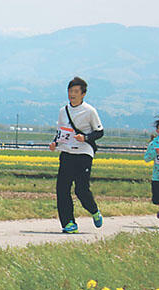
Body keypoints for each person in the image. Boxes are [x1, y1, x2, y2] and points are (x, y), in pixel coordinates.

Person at [49, 76, 104, 233]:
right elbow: (61, 132)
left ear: (83, 94)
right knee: (62, 189)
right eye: (70, 91)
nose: (72, 94)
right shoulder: (63, 111)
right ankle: (68, 223)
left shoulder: (90, 111)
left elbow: (100, 132)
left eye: (75, 91)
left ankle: (93, 210)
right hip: (66, 152)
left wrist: (85, 138)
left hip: (83, 153)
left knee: (81, 190)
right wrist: (54, 143)